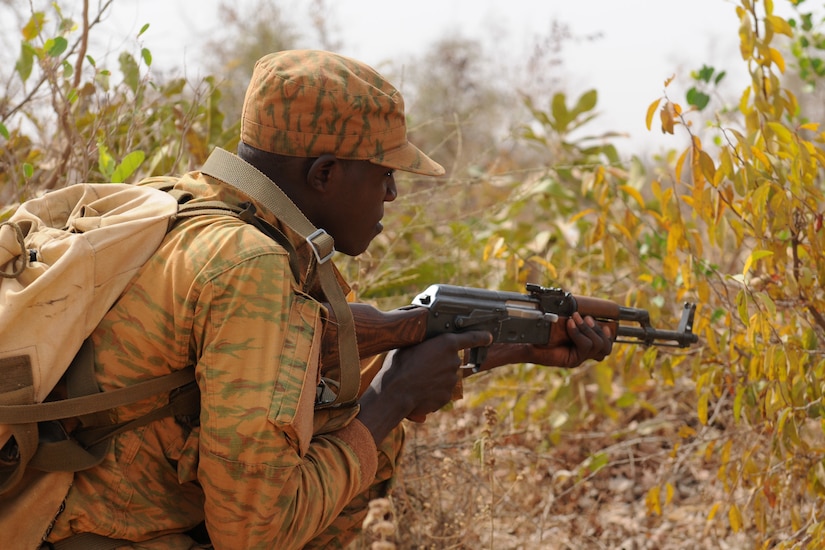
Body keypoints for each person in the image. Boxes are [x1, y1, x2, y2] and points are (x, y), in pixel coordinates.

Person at [41, 49, 613, 549]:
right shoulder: (253, 266)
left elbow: (231, 367)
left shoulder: (184, 206)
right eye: (384, 173)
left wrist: (513, 344)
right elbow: (254, 534)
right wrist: (392, 398)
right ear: (324, 173)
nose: (392, 191)